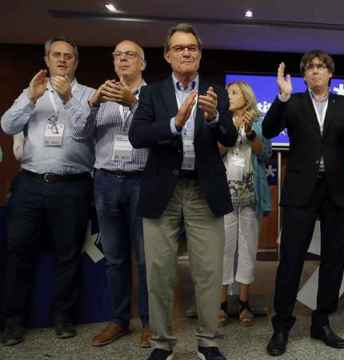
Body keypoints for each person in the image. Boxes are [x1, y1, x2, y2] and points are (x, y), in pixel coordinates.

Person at [129, 23, 237, 360]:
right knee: (159, 272)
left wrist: (216, 116)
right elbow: (137, 136)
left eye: (192, 47)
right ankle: (162, 344)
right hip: (163, 191)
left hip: (204, 191)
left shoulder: (214, 90)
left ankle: (208, 342)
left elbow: (231, 138)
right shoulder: (151, 94)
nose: (187, 52)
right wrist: (174, 123)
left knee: (208, 271)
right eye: (179, 48)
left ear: (200, 54)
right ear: (167, 55)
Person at [262, 50, 344, 356]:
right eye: (309, 68)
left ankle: (322, 322)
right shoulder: (292, 102)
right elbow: (268, 131)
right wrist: (280, 98)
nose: (315, 71)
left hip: (336, 189)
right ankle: (281, 325)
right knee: (291, 259)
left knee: (334, 258)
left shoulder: (341, 102)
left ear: (330, 73)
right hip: (300, 189)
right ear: (304, 75)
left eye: (320, 67)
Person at [1, 37, 94, 345]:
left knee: (67, 255)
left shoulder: (89, 95)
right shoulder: (33, 90)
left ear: (76, 62)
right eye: (57, 55)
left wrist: (69, 99)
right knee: (18, 253)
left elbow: (88, 131)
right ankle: (14, 322)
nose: (63, 60)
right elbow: (8, 125)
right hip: (30, 184)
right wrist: (30, 97)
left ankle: (63, 318)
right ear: (47, 59)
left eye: (69, 56)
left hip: (72, 186)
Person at [71, 40, 152, 347]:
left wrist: (132, 102)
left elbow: (154, 131)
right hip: (105, 181)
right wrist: (92, 102)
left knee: (145, 258)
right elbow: (79, 133)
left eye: (129, 55)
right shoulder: (101, 96)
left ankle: (149, 322)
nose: (122, 60)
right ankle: (119, 320)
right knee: (116, 257)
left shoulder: (153, 96)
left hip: (141, 181)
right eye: (117, 55)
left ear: (142, 63)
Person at [218, 81, 272, 327]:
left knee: (248, 247)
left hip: (250, 194)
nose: (228, 97)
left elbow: (265, 153)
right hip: (224, 194)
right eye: (227, 93)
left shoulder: (260, 122)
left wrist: (249, 131)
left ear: (246, 96)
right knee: (224, 247)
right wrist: (232, 131)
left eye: (233, 93)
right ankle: (220, 303)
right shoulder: (220, 121)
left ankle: (243, 302)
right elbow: (215, 152)